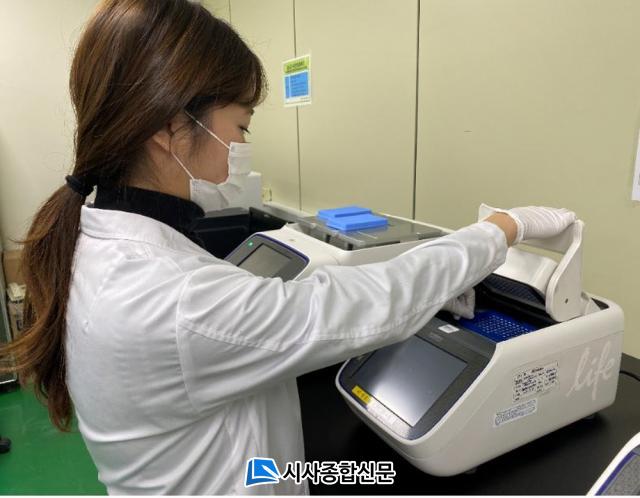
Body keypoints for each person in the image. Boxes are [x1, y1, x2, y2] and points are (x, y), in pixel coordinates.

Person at [0, 0, 576, 494]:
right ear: (171, 129)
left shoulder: (100, 241)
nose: (241, 146)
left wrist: (436, 286)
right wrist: (500, 229)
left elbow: (291, 316)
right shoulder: (174, 302)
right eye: (241, 127)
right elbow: (373, 301)